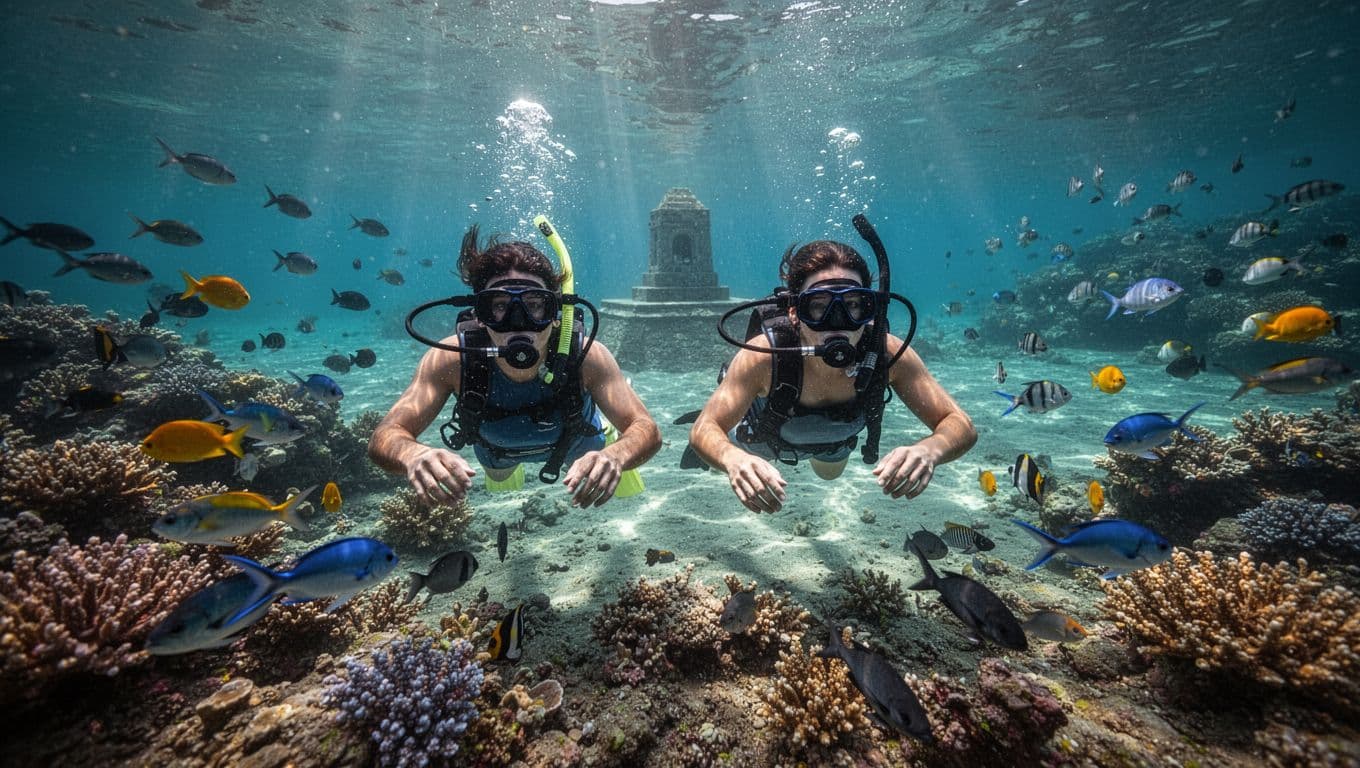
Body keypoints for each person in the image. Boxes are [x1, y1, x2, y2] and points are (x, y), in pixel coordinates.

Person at [370, 224, 660, 508]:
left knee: (606, 463)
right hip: (496, 452)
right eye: (499, 305)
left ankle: (605, 430)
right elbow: (385, 435)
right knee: (500, 479)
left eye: (535, 305)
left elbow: (646, 428)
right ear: (479, 315)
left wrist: (616, 456)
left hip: (578, 442)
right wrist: (412, 455)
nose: (518, 322)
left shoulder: (586, 356)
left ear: (556, 312)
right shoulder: (453, 359)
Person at [688, 238, 976, 513]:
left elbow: (960, 425)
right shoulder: (764, 355)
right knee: (718, 450)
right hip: (763, 438)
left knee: (829, 476)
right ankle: (728, 400)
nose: (837, 323)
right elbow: (704, 428)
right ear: (794, 311)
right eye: (818, 306)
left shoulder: (886, 354)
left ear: (869, 308)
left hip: (835, 441)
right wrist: (732, 459)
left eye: (852, 305)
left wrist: (930, 450)